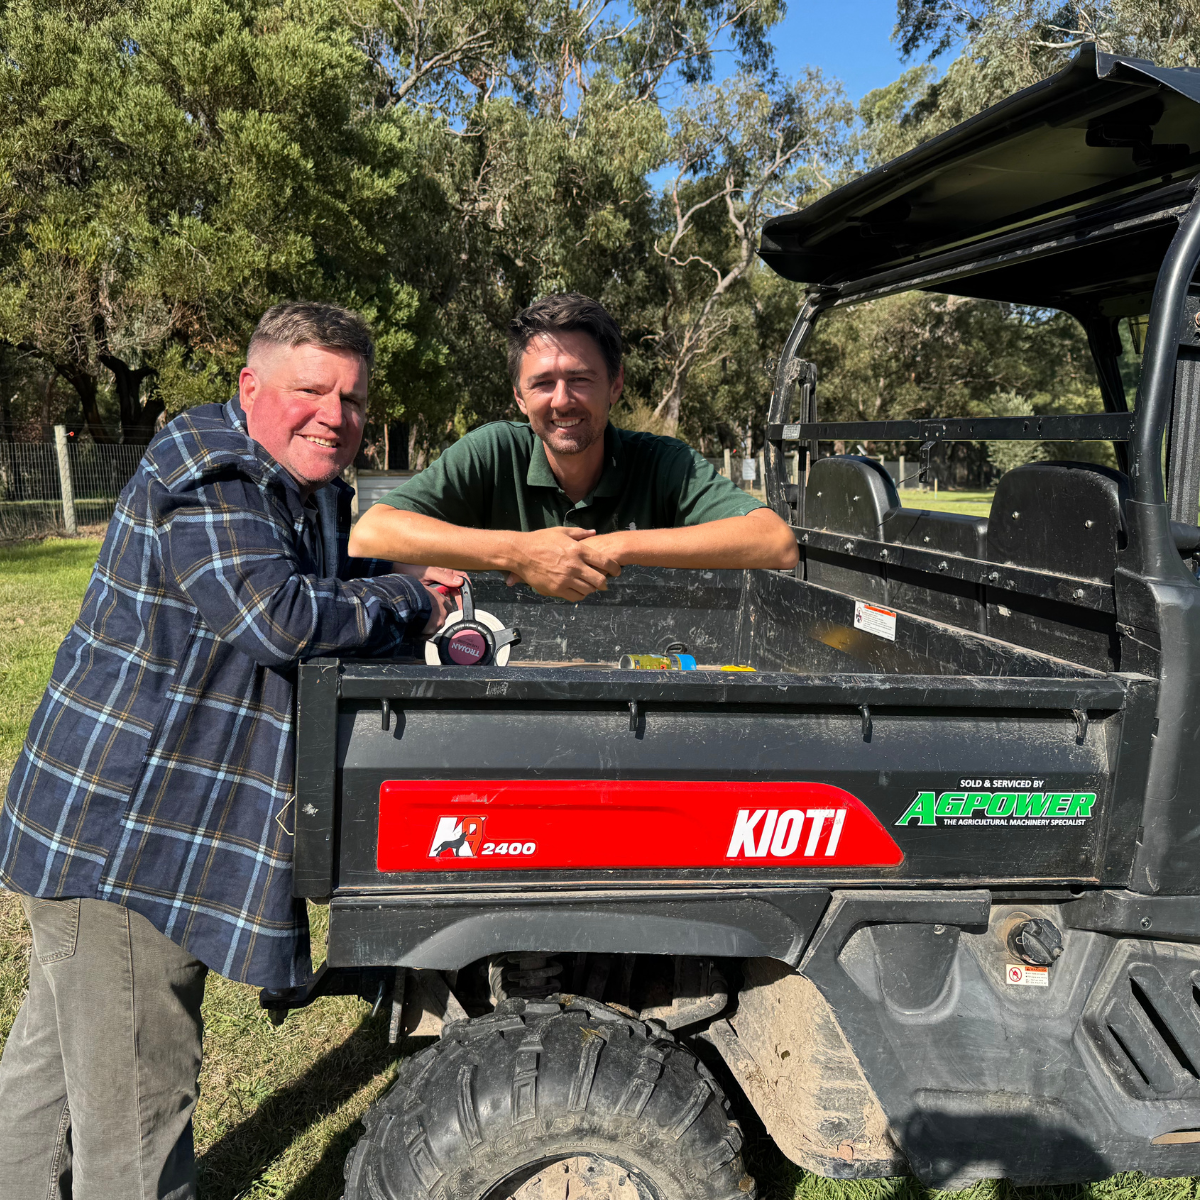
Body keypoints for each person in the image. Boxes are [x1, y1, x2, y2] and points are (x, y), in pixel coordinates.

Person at [0, 303, 461, 1200]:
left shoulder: (304, 484)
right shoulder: (210, 467)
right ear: (252, 387)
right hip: (128, 840)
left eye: (354, 398)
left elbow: (312, 578)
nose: (336, 414)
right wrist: (413, 603)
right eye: (311, 390)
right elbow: (275, 613)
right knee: (137, 1114)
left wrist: (402, 580)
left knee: (52, 1078)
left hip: (119, 826)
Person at [348, 293, 798, 597]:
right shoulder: (491, 453)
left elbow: (775, 542)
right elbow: (371, 532)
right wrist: (522, 553)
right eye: (542, 384)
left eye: (581, 379)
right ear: (519, 398)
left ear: (615, 385)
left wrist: (615, 548)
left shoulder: (663, 463)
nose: (562, 400)